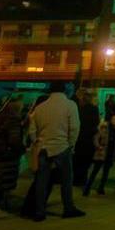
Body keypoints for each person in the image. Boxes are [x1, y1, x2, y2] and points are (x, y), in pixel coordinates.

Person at [27, 81, 84, 221]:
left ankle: (39, 211)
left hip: (44, 147)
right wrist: (71, 145)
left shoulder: (40, 108)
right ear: (64, 90)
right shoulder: (70, 105)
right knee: (66, 180)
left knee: (41, 181)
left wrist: (37, 141)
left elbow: (32, 130)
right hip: (62, 146)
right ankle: (68, 208)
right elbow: (75, 128)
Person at [84, 113, 115, 196]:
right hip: (101, 153)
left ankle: (101, 188)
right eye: (113, 119)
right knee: (95, 172)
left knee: (106, 173)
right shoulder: (105, 128)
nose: (114, 121)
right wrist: (98, 146)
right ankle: (87, 189)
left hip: (110, 154)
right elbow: (96, 138)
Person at [73, 89, 101, 185]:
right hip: (88, 138)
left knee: (77, 160)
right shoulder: (93, 109)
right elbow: (96, 122)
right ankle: (82, 179)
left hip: (78, 137)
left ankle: (76, 179)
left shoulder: (77, 108)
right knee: (85, 161)